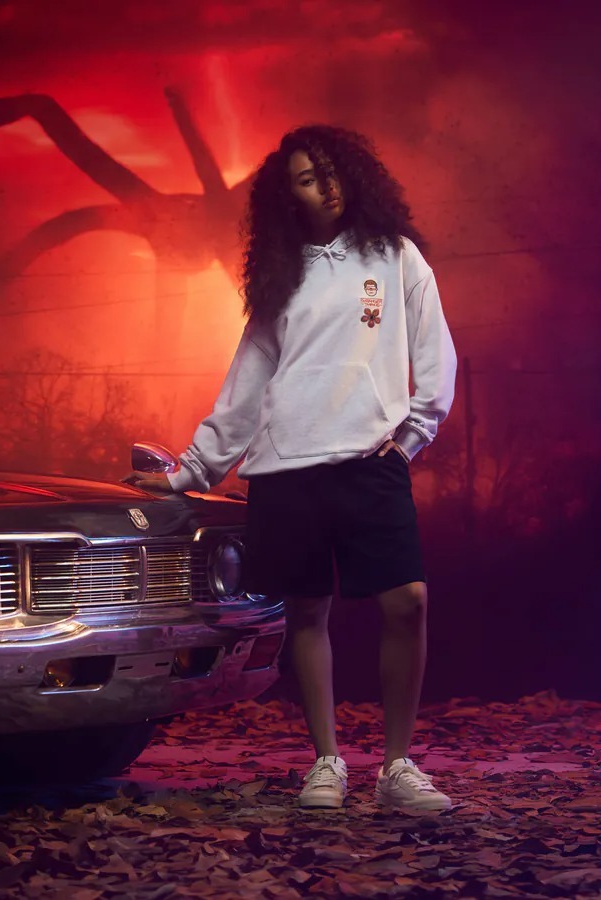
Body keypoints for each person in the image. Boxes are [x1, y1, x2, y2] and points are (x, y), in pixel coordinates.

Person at [129, 125, 457, 812]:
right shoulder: (281, 276)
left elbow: (435, 356)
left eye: (331, 172)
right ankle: (327, 764)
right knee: (307, 611)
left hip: (370, 462)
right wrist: (191, 471)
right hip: (286, 467)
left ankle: (398, 768)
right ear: (290, 195)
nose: (324, 187)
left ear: (353, 175)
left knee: (408, 602)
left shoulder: (395, 255)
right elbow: (247, 383)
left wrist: (411, 437)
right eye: (307, 179)